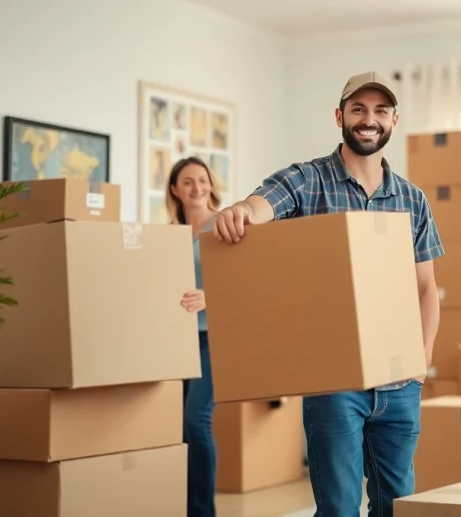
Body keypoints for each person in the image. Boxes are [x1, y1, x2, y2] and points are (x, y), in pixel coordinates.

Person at [212, 71, 443, 517]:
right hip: (335, 385)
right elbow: (264, 203)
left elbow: (426, 288)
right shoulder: (307, 180)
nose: (368, 119)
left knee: (396, 507)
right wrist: (242, 210)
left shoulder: (411, 200)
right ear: (340, 116)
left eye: (379, 111)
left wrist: (421, 363)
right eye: (358, 109)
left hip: (399, 386)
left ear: (394, 120)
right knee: (338, 508)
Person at [167, 156, 222, 517]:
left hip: (213, 339)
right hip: (175, 341)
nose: (197, 188)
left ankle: (203, 512)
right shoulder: (168, 234)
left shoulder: (225, 225)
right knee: (177, 429)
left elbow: (254, 280)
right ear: (174, 189)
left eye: (202, 180)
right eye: (188, 181)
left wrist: (212, 296)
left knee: (195, 421)